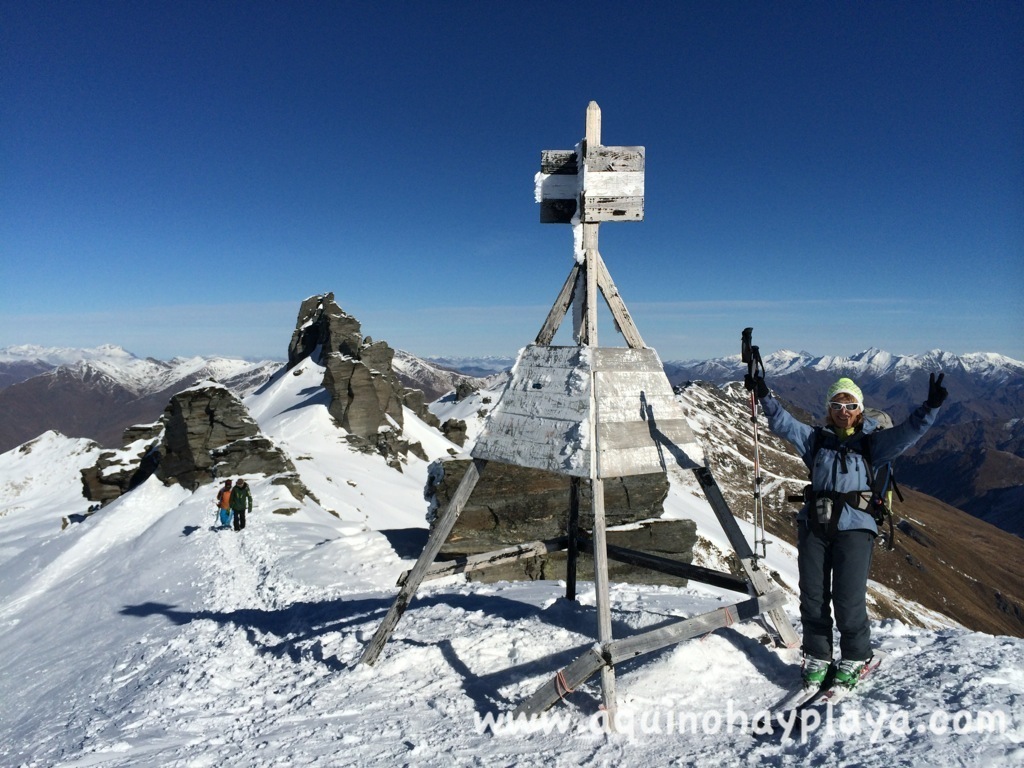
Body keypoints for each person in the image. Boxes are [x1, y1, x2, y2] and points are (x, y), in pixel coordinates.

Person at [752, 372, 947, 693]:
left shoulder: (873, 444)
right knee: (813, 595)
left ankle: (856, 656)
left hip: (856, 528)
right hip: (815, 524)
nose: (844, 411)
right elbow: (784, 424)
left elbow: (908, 434)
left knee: (847, 597)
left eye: (851, 405)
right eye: (837, 405)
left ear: (860, 410)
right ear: (829, 409)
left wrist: (930, 407)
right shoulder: (816, 439)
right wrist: (764, 395)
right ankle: (817, 656)